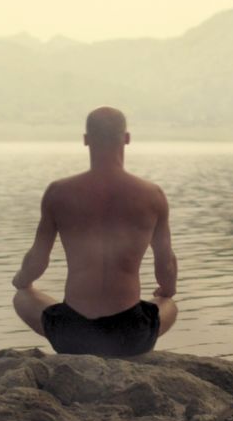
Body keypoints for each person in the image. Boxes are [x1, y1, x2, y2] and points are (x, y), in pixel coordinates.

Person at [11, 106, 178, 356]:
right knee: (169, 304)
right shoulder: (152, 196)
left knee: (22, 296)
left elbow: (37, 260)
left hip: (72, 335)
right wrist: (166, 291)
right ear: (127, 138)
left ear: (86, 140)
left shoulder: (59, 192)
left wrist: (21, 281)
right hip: (131, 335)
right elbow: (166, 265)